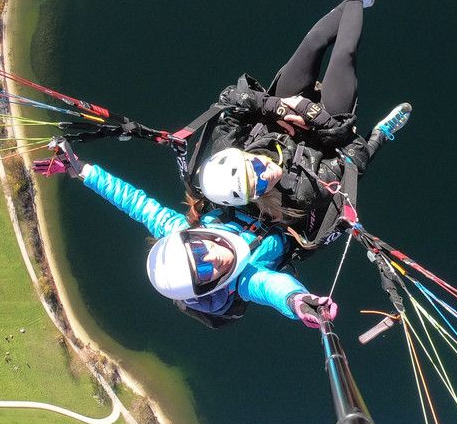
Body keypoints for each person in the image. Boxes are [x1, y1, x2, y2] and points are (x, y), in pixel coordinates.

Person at [189, 0, 412, 251]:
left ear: (240, 155)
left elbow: (231, 98)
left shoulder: (227, 147)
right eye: (260, 184)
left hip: (279, 111)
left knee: (313, 42)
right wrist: (313, 116)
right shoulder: (301, 193)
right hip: (326, 131)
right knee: (345, 54)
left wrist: (278, 107)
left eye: (254, 166)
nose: (265, 172)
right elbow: (353, 157)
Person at [33, 140, 337, 329]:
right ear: (211, 285)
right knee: (325, 196)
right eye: (204, 271)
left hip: (256, 204)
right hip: (291, 225)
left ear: (191, 239)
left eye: (198, 252)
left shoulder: (178, 232)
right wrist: (297, 301)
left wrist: (82, 170)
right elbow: (269, 287)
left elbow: (133, 202)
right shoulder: (243, 278)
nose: (212, 258)